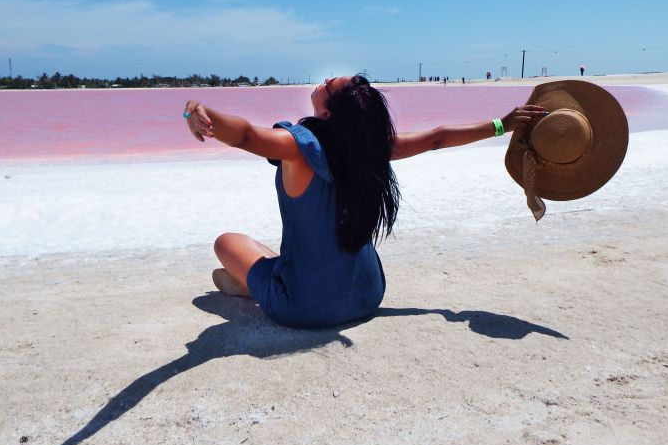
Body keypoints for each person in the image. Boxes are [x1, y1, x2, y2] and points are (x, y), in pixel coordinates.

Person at [184, 75, 545, 329]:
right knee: (277, 257)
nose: (323, 82)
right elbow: (437, 138)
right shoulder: (371, 151)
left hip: (306, 307)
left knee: (226, 242)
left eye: (327, 86)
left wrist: (198, 112)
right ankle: (258, 279)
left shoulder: (296, 148)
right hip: (367, 294)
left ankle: (252, 285)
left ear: (327, 114)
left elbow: (246, 134)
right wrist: (502, 125)